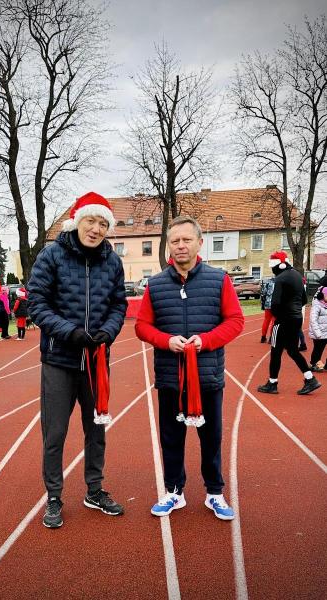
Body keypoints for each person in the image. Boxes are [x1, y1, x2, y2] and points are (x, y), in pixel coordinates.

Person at [28, 191, 127, 529]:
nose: (96, 228)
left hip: (97, 360)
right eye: (91, 220)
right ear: (77, 220)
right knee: (54, 432)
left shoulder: (112, 261)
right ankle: (54, 496)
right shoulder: (51, 255)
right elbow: (37, 304)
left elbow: (119, 304)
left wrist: (110, 331)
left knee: (97, 430)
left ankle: (94, 490)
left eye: (103, 223)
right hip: (59, 359)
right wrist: (69, 332)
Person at [135, 216, 244, 521]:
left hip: (207, 376)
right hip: (170, 378)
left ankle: (214, 493)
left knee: (211, 438)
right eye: (175, 241)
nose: (180, 246)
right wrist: (165, 340)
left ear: (199, 243)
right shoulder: (155, 285)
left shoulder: (219, 279)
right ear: (168, 245)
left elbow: (235, 321)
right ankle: (174, 492)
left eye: (186, 240)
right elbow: (142, 326)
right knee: (171, 436)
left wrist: (206, 341)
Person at [257, 251, 321, 395]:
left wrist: (279, 316)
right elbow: (305, 300)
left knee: (275, 351)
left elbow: (275, 303)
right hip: (296, 318)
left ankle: (272, 383)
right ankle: (310, 379)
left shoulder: (280, 279)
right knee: (292, 350)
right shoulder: (298, 276)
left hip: (282, 320)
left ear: (277, 265)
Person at [308, 287, 327, 372]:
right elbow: (313, 320)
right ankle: (313, 364)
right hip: (319, 332)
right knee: (318, 349)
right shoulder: (317, 305)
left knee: (319, 349)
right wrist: (318, 333)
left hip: (325, 331)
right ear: (323, 295)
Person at [260, 276, 275, 343]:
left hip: (267, 303)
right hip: (275, 304)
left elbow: (263, 293)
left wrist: (263, 304)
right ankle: (271, 338)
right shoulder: (280, 281)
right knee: (274, 321)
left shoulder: (268, 282)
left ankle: (263, 337)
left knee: (266, 320)